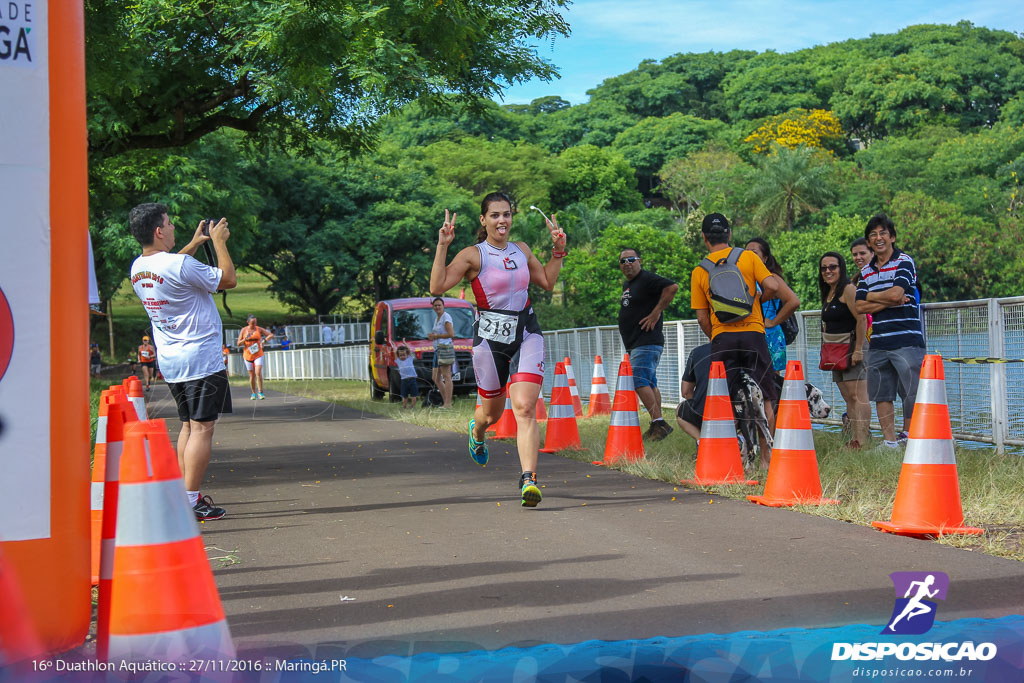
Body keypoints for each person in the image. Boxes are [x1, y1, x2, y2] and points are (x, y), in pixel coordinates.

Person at [429, 192, 566, 507]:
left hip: (526, 332)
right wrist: (443, 245)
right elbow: (437, 287)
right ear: (483, 220)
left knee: (525, 408)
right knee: (490, 414)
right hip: (490, 343)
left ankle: (528, 479)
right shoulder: (472, 255)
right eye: (495, 215)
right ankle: (477, 432)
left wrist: (558, 251)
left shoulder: (521, 250)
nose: (502, 220)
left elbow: (546, 281)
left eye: (506, 214)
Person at [128, 203, 237, 521]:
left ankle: (182, 493)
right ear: (159, 231)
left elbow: (172, 267)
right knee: (204, 428)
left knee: (189, 425)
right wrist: (218, 242)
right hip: (201, 358)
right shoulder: (179, 267)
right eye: (170, 223)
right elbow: (227, 279)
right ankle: (190, 501)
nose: (174, 227)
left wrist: (193, 244)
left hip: (172, 360)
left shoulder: (138, 267)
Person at [690, 213, 780, 465]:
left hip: (722, 339)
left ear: (704, 238)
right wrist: (753, 304)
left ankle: (731, 457)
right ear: (729, 234)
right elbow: (772, 286)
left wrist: (717, 335)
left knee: (723, 398)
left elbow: (701, 318)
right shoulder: (748, 257)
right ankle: (765, 458)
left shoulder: (700, 270)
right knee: (766, 395)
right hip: (753, 334)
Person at [855, 214, 926, 449]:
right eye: (873, 235)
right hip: (879, 341)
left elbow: (896, 294)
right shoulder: (866, 271)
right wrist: (889, 299)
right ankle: (890, 442)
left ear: (892, 237)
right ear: (869, 241)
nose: (878, 238)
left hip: (906, 339)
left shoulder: (904, 261)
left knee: (912, 391)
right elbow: (859, 305)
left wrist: (873, 297)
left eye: (883, 233)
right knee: (882, 393)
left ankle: (912, 438)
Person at [617, 247, 679, 441]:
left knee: (638, 380)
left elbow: (672, 287)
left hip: (646, 341)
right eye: (623, 261)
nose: (627, 264)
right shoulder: (629, 284)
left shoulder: (646, 279)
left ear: (639, 260)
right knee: (649, 382)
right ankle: (656, 424)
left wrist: (656, 312)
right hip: (637, 343)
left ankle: (658, 422)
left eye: (631, 259)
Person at [819, 252, 870, 448]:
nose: (828, 271)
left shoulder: (848, 289)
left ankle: (863, 441)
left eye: (833, 267)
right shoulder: (829, 292)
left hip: (851, 349)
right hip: (834, 353)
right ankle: (854, 439)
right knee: (848, 397)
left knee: (858, 396)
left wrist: (858, 350)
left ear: (841, 268)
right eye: (824, 268)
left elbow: (862, 318)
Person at [744, 238, 800, 379]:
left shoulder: (771, 278)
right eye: (746, 253)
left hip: (771, 336)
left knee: (772, 381)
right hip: (750, 335)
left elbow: (793, 302)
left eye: (754, 252)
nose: (749, 256)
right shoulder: (744, 279)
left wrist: (773, 322)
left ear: (765, 258)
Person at [676, 342, 712, 446]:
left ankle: (702, 442)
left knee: (680, 410)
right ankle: (741, 438)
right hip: (738, 414)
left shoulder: (697, 352)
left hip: (704, 413)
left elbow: (686, 392)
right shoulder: (745, 349)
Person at [428, 297, 456, 409]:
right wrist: (433, 337)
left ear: (443, 306)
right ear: (433, 307)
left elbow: (451, 334)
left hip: (445, 348)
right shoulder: (437, 318)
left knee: (446, 376)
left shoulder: (446, 317)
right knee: (435, 377)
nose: (437, 307)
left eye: (439, 305)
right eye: (435, 305)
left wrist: (436, 336)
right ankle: (446, 402)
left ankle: (448, 403)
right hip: (437, 349)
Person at [237, 315, 274, 400]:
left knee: (258, 372)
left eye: (255, 322)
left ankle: (260, 392)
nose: (254, 324)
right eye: (252, 323)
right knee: (252, 375)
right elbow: (238, 343)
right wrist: (245, 339)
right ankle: (253, 393)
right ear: (248, 322)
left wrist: (264, 341)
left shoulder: (259, 329)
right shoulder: (244, 330)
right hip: (247, 355)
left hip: (258, 353)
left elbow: (271, 335)